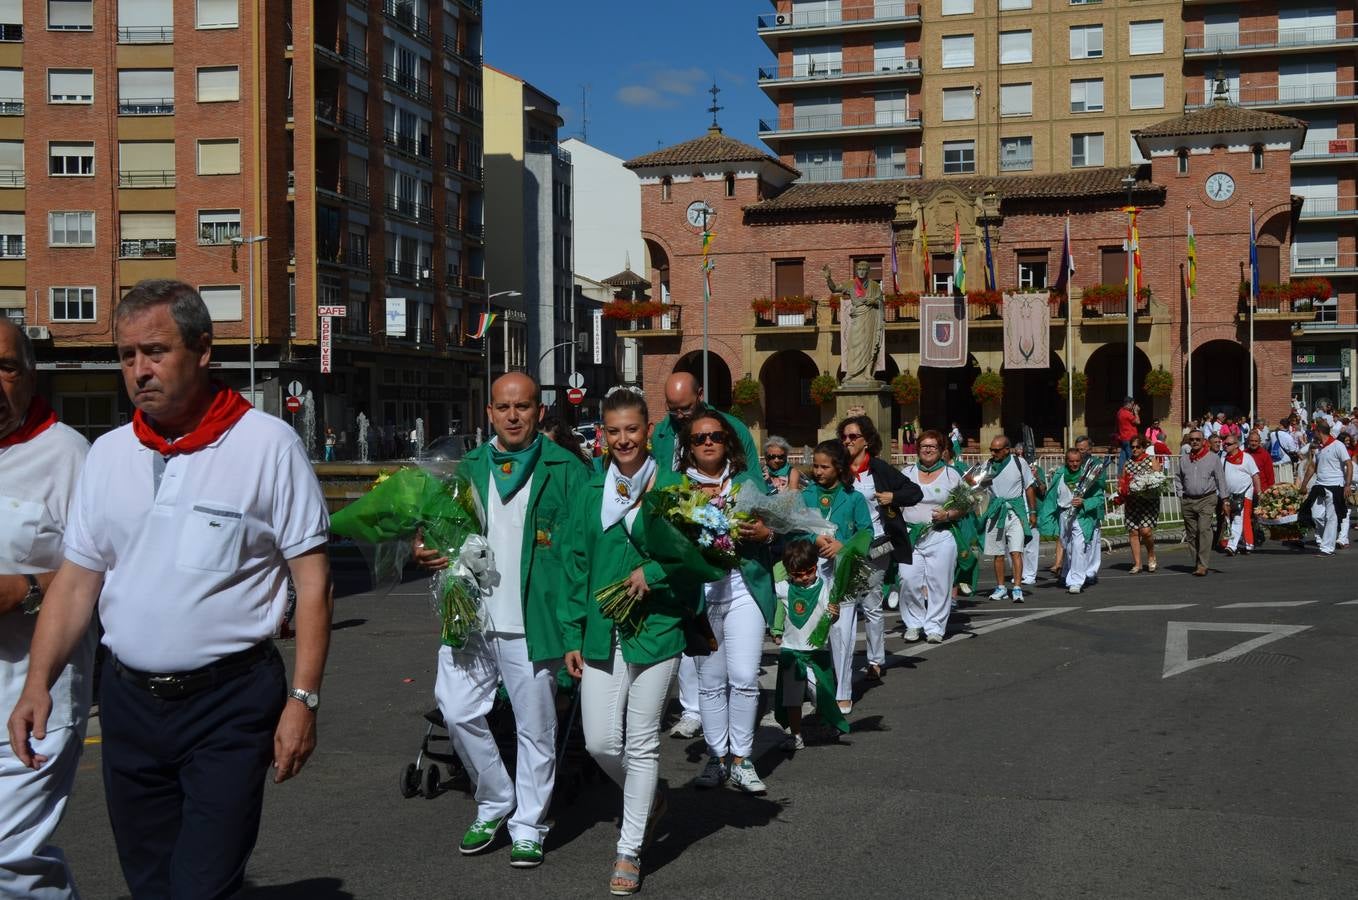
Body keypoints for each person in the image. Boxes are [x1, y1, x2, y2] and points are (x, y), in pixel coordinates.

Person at [8, 281, 332, 898]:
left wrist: (303, 701)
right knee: (150, 882)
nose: (139, 370)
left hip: (230, 702)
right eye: (127, 356)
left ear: (204, 350)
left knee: (202, 884)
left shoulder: (268, 446)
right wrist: (36, 683)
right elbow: (77, 582)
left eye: (155, 351)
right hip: (129, 704)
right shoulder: (108, 454)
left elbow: (313, 584)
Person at [414, 372, 587, 867]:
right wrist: (425, 545)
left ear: (539, 412)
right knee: (456, 708)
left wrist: (575, 623)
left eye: (523, 407)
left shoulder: (566, 469)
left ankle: (529, 823)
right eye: (504, 408)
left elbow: (579, 553)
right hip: (471, 617)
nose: (513, 416)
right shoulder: (468, 467)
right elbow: (439, 530)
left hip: (534, 622)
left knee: (537, 728)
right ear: (488, 413)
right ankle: (495, 799)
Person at [560, 390, 691, 895]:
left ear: (647, 428)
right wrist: (572, 631)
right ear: (603, 435)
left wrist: (652, 572)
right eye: (612, 432)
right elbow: (574, 563)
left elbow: (696, 555)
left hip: (657, 626)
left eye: (631, 430)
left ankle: (629, 850)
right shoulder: (592, 489)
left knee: (640, 739)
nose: (622, 440)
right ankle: (649, 796)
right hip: (599, 628)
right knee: (599, 742)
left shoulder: (674, 487)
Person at [0, 320, 94, 898]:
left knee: (10, 861)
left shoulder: (69, 457)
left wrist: (26, 590)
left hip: (31, 698)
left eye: (5, 367)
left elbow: (110, 574)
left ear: (31, 377)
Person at [649, 372, 758, 742]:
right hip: (691, 569)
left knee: (739, 672)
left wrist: (763, 527)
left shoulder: (732, 428)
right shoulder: (663, 432)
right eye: (673, 409)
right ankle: (694, 712)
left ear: (701, 395)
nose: (679, 415)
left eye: (686, 408)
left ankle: (736, 747)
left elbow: (755, 484)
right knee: (695, 657)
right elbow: (662, 484)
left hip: (737, 572)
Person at [676, 413, 776, 794]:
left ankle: (742, 759)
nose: (708, 442)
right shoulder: (678, 487)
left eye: (716, 435)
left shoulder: (748, 482)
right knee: (711, 681)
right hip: (701, 595)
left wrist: (767, 534)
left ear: (727, 442)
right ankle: (717, 757)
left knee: (746, 677)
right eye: (699, 437)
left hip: (742, 589)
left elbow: (780, 528)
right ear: (689, 446)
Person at [837, 415, 922, 681]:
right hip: (841, 547)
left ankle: (875, 660)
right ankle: (841, 658)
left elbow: (914, 492)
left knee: (871, 604)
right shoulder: (838, 468)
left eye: (853, 437)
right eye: (844, 437)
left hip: (875, 545)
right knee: (842, 605)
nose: (847, 441)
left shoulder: (879, 469)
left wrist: (893, 497)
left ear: (866, 441)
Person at [802, 439, 871, 714]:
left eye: (824, 467)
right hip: (811, 570)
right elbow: (794, 529)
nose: (817, 471)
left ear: (839, 468)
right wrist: (814, 538)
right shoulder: (805, 496)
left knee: (842, 631)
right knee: (810, 628)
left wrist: (844, 545)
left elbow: (867, 532)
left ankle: (843, 691)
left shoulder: (854, 498)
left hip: (845, 571)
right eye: (815, 466)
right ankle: (817, 686)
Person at [770, 539, 848, 751]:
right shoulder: (784, 588)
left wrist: (834, 614)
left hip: (816, 653)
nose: (804, 578)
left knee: (821, 695)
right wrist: (776, 630)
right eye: (797, 574)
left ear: (816, 565)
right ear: (788, 572)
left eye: (809, 571)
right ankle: (796, 735)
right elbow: (774, 605)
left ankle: (827, 723)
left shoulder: (826, 589)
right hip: (791, 652)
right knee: (792, 699)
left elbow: (830, 618)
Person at [898, 431, 966, 643]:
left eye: (933, 446)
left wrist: (948, 515)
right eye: (924, 446)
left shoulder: (951, 474)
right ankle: (913, 623)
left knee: (940, 583)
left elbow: (965, 505)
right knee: (907, 580)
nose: (927, 450)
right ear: (917, 449)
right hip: (910, 537)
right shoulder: (906, 473)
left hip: (941, 535)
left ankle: (935, 627)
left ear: (941, 450)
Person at [981, 436, 1036, 603]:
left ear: (1007, 450)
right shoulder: (987, 465)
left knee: (1016, 552)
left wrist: (1033, 512)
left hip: (1015, 512)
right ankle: (1001, 587)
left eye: (996, 450)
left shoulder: (1019, 463)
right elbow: (978, 486)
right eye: (991, 449)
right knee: (998, 554)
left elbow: (1029, 487)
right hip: (996, 511)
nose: (993, 452)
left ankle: (1017, 588)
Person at [1053, 448, 1105, 594]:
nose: (1074, 464)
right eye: (1071, 461)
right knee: (1068, 547)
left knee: (1078, 547)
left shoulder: (1088, 476)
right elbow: (1052, 496)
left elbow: (1099, 498)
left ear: (1081, 461)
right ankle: (1069, 572)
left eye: (1077, 461)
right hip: (1064, 515)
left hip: (1081, 517)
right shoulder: (1060, 474)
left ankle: (1076, 581)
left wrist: (1084, 502)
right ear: (1066, 461)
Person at [1177, 429, 1227, 576]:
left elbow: (1220, 479)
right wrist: (1180, 493)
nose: (1194, 442)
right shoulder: (1184, 459)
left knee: (1203, 529)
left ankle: (1203, 565)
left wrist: (1225, 500)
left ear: (1203, 441)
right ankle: (1197, 561)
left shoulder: (1213, 458)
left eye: (1197, 439)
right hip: (1188, 499)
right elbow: (1178, 477)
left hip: (1207, 498)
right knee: (1192, 534)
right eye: (1192, 439)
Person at [1299, 420, 1353, 557]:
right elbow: (1312, 467)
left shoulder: (1338, 445)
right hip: (1320, 486)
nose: (1313, 434)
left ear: (1319, 432)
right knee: (1316, 515)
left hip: (1336, 486)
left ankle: (1327, 548)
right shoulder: (1319, 448)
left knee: (1331, 517)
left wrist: (1347, 485)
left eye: (1315, 431)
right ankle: (1328, 539)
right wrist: (1304, 484)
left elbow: (1349, 464)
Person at [1120, 436, 1162, 573]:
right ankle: (1137, 564)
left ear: (1143, 447)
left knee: (1145, 531)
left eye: (1137, 447)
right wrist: (1121, 489)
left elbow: (1158, 479)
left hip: (1148, 502)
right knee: (1133, 531)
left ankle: (1151, 555)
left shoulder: (1150, 460)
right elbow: (1122, 481)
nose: (1134, 449)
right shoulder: (1128, 463)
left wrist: (1147, 487)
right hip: (1132, 502)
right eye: (1132, 447)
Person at [1220, 433, 1262, 556]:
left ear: (1236, 445)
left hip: (1245, 494)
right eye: (1225, 444)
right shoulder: (1223, 460)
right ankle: (1244, 543)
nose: (1225, 445)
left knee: (1239, 519)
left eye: (1228, 444)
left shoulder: (1246, 458)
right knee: (1228, 519)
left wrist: (1259, 493)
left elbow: (1255, 476)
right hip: (1229, 496)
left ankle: (1232, 546)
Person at [1012, 443, 1044, 587]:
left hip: (1031, 509)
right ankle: (1019, 573)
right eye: (1017, 453)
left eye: (1022, 453)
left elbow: (1043, 490)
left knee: (1030, 545)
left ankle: (1030, 574)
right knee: (1014, 545)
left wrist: (1036, 476)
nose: (1020, 456)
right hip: (1016, 510)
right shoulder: (1012, 469)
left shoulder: (1037, 469)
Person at [1115, 397, 1139, 471]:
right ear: (1129, 404)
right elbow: (1138, 422)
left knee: (1123, 458)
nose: (1133, 406)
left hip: (1123, 438)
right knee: (1132, 457)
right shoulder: (1127, 413)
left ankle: (1120, 476)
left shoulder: (1120, 412)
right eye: (1132, 404)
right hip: (1130, 438)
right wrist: (1136, 412)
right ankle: (1133, 473)